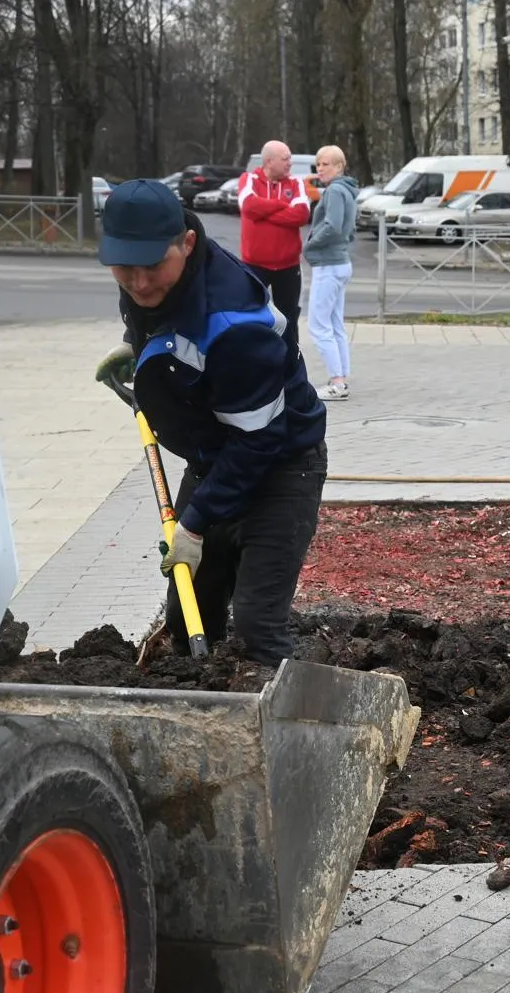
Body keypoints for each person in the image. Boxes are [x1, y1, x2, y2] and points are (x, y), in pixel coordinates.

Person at [93, 179, 328, 666]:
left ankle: (292, 722)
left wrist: (195, 524)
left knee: (258, 622)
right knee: (187, 613)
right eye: (124, 269)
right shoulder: (147, 285)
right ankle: (195, 707)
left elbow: (260, 441)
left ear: (187, 243)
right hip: (213, 458)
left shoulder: (236, 323)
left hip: (280, 465)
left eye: (153, 267)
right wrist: (143, 352)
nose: (138, 284)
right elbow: (159, 324)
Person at [238, 140, 313, 366]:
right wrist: (282, 205)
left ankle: (290, 363)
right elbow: (249, 207)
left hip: (288, 266)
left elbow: (301, 215)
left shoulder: (297, 184)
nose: (290, 162)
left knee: (288, 318)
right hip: (254, 265)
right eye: (286, 158)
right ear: (269, 161)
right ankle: (251, 362)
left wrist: (266, 211)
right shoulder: (248, 179)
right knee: (251, 316)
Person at [304, 145, 357, 400]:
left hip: (329, 264)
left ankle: (337, 383)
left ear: (338, 166)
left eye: (325, 164)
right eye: (318, 164)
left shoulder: (335, 190)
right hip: (340, 262)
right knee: (335, 324)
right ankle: (341, 377)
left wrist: (310, 243)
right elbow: (349, 229)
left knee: (318, 325)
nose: (320, 169)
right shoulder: (347, 190)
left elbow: (334, 226)